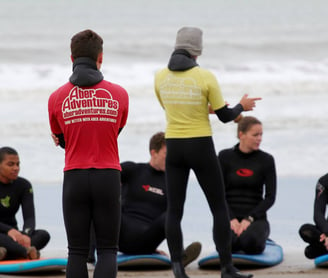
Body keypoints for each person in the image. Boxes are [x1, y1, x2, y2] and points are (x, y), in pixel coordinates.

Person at [154, 26, 261, 278]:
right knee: (218, 207)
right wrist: (241, 106)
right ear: (197, 50)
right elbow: (225, 116)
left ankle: (178, 270)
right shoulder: (205, 77)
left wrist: (206, 109)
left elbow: (173, 109)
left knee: (174, 210)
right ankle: (226, 269)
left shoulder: (159, 77)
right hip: (200, 146)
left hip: (175, 147)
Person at [48, 29, 129, 278]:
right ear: (100, 57)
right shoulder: (120, 94)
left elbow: (62, 138)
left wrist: (65, 140)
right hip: (108, 175)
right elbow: (115, 130)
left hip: (75, 177)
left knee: (77, 251)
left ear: (72, 58)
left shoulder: (56, 98)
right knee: (107, 250)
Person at [87, 132, 201, 266]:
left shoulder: (172, 183)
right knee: (99, 204)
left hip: (148, 239)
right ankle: (89, 257)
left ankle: (179, 257)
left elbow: (172, 221)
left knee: (170, 215)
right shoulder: (133, 170)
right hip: (120, 234)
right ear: (154, 152)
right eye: (166, 154)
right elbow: (102, 177)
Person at [218, 116, 276, 255]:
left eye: (261, 134)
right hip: (229, 217)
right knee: (227, 245)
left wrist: (249, 219)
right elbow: (218, 194)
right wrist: (231, 219)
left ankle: (258, 236)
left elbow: (270, 197)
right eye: (255, 135)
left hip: (256, 218)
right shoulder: (224, 157)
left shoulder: (266, 160)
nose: (259, 138)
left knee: (249, 243)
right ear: (241, 135)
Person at [0, 147, 50, 260]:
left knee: (43, 235)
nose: (16, 168)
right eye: (10, 164)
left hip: (14, 235)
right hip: (4, 233)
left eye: (18, 164)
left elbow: (29, 217)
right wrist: (8, 230)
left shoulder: (24, 185)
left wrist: (26, 235)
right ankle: (25, 252)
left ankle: (7, 252)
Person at [299, 174, 328, 259]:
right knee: (305, 230)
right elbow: (318, 214)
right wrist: (327, 233)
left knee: (311, 251)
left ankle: (322, 249)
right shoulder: (324, 182)